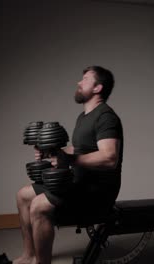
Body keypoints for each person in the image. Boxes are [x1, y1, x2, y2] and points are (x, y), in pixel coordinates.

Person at [13, 66, 123, 264]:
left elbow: (109, 158)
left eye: (85, 79)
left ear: (98, 88)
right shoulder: (84, 117)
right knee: (23, 195)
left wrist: (69, 160)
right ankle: (29, 255)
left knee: (39, 206)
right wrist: (52, 153)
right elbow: (79, 149)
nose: (79, 83)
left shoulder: (106, 117)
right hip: (78, 183)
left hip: (96, 192)